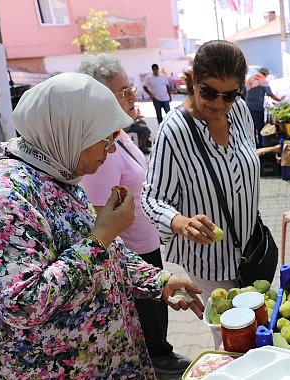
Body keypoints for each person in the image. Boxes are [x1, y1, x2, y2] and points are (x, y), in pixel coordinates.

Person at [0, 72, 204, 379]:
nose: (112, 149)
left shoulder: (60, 172)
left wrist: (158, 280)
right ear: (69, 131)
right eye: (105, 139)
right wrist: (101, 235)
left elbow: (104, 254)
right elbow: (23, 304)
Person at [78, 54, 190, 376]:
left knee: (157, 310)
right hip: (131, 251)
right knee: (148, 317)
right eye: (122, 92)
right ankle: (158, 360)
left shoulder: (120, 136)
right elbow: (101, 216)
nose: (132, 96)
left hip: (145, 243)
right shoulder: (101, 152)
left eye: (130, 89)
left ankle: (159, 354)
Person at [142, 40, 259, 305]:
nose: (219, 103)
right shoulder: (174, 130)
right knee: (230, 338)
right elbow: (151, 198)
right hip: (210, 263)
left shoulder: (240, 112)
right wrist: (181, 222)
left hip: (250, 252)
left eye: (229, 95)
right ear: (194, 81)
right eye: (209, 92)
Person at [78, 54, 152, 154]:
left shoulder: (117, 133)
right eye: (125, 92)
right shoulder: (98, 154)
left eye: (131, 88)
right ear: (102, 99)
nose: (133, 98)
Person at [245, 67, 284, 148]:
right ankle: (261, 146)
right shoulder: (263, 81)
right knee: (260, 127)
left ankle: (252, 145)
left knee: (250, 126)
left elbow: (243, 92)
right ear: (265, 74)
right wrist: (281, 100)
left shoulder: (250, 79)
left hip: (247, 106)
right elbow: (271, 95)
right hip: (257, 107)